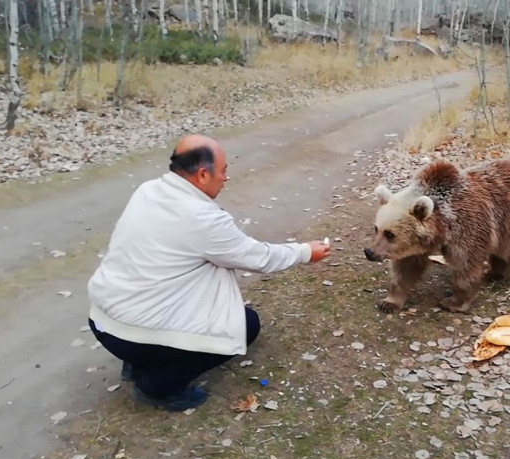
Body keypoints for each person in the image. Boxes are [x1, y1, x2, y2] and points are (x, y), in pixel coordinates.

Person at [86, 134, 330, 411]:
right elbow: (260, 258)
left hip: (102, 319)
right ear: (203, 174)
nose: (225, 178)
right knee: (246, 325)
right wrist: (306, 252)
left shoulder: (149, 189)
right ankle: (158, 385)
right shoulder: (201, 218)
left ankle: (138, 360)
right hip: (131, 333)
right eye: (223, 171)